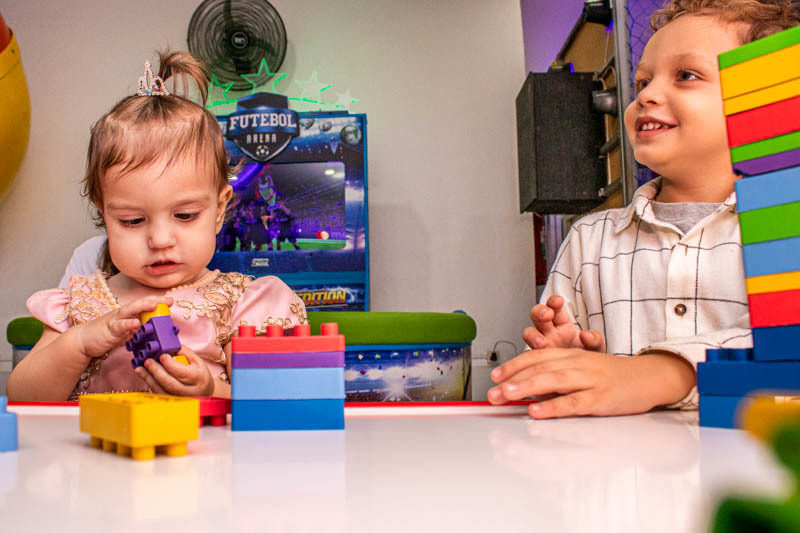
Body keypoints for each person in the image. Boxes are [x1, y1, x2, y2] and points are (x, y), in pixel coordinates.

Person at [489, 0, 800, 418]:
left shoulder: (789, 225)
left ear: (767, 101)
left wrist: (665, 373)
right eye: (641, 83)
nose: (647, 95)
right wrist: (561, 360)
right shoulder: (589, 238)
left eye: (686, 75)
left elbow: (788, 353)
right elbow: (552, 381)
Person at [7, 51, 307, 401]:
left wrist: (213, 390)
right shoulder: (82, 303)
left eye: (185, 215)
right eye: (132, 221)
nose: (160, 240)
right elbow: (23, 396)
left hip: (205, 457)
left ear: (220, 208)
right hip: (97, 456)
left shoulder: (242, 304)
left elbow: (279, 403)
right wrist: (80, 342)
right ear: (105, 214)